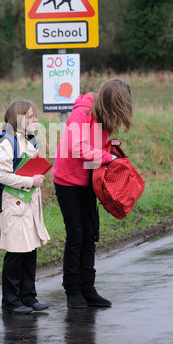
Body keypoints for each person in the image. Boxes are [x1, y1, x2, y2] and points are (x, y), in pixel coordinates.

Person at [52, 78, 132, 309]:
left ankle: (88, 288)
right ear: (108, 102)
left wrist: (111, 150)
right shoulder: (81, 113)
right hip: (67, 181)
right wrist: (109, 157)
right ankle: (72, 291)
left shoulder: (101, 115)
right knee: (76, 234)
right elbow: (75, 148)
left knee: (90, 233)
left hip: (88, 180)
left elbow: (97, 146)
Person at [0, 100, 50, 314]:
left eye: (35, 116)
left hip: (27, 204)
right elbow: (2, 176)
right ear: (18, 118)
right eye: (31, 116)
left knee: (29, 251)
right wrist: (31, 181)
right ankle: (11, 302)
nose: (35, 120)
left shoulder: (29, 141)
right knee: (15, 254)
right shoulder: (6, 142)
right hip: (13, 205)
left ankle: (28, 297)